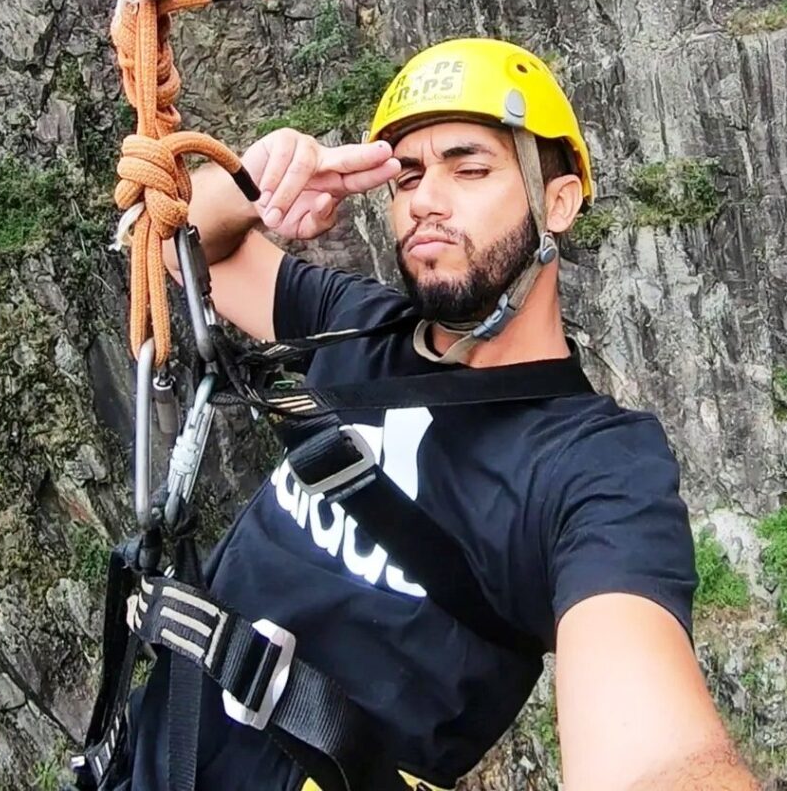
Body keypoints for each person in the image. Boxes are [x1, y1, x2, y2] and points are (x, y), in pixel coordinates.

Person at [123, 38, 757, 790]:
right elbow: (170, 254)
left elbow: (657, 757)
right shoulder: (352, 323)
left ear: (557, 200)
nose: (425, 198)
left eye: (470, 168)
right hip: (140, 758)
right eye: (408, 176)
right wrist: (248, 185)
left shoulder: (593, 468)